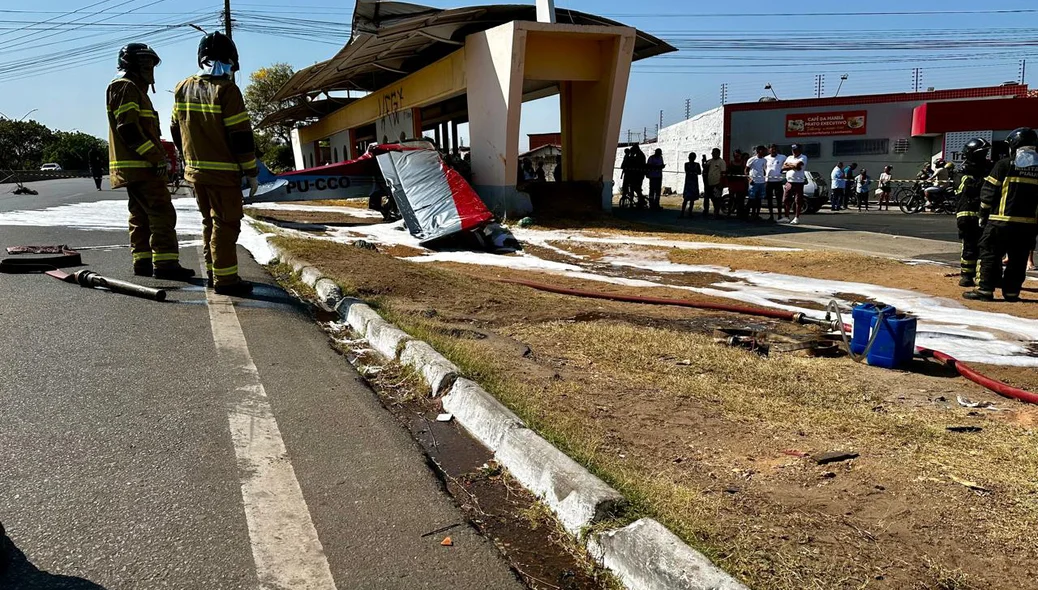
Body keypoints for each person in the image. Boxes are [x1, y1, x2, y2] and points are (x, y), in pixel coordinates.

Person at [170, 31, 258, 296]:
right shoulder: (227, 90)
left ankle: (213, 271)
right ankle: (226, 280)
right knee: (226, 223)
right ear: (231, 61)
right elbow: (241, 137)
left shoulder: (182, 87)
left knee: (209, 222)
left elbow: (176, 129)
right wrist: (251, 171)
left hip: (195, 174)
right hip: (223, 174)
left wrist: (188, 158)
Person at [106, 43, 195, 280]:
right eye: (145, 64)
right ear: (131, 65)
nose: (150, 69)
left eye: (151, 64)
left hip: (136, 167)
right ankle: (166, 264)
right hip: (142, 166)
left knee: (140, 215)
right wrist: (155, 157)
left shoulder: (132, 88)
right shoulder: (126, 87)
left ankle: (143, 262)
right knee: (162, 212)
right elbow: (128, 128)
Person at [964, 127, 1038, 302]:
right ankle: (1012, 293)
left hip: (1000, 221)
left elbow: (988, 192)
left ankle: (985, 291)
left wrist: (983, 214)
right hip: (1028, 224)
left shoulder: (1004, 164)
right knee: (1018, 258)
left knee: (989, 253)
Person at [954, 138, 992, 287]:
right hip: (967, 214)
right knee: (969, 246)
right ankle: (967, 275)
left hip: (986, 213)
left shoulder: (988, 170)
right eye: (981, 153)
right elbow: (968, 188)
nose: (984, 157)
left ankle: (983, 276)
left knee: (986, 247)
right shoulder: (962, 172)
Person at [780, 144, 808, 224]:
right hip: (789, 181)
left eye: (796, 150)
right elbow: (783, 167)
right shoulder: (789, 157)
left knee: (798, 201)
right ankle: (786, 217)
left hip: (798, 182)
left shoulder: (803, 157)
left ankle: (796, 217)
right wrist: (793, 166)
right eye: (793, 150)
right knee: (785, 199)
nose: (794, 151)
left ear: (799, 150)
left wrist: (789, 165)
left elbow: (798, 165)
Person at [763, 144, 786, 222]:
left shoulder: (782, 157)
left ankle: (779, 215)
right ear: (769, 150)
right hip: (769, 182)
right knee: (769, 200)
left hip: (778, 181)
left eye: (774, 149)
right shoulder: (765, 158)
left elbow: (786, 165)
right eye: (771, 149)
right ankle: (771, 216)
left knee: (779, 199)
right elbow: (764, 168)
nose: (773, 150)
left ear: (777, 149)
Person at [745, 145, 768, 220]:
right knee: (751, 199)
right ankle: (748, 214)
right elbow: (746, 170)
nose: (764, 152)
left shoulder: (764, 160)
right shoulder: (752, 159)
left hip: (761, 182)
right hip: (753, 182)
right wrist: (749, 179)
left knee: (759, 200)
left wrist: (765, 179)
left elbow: (764, 170)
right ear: (758, 151)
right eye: (763, 150)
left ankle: (756, 214)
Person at [703, 148, 726, 218]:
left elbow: (723, 173)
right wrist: (704, 161)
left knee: (716, 199)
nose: (713, 154)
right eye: (712, 153)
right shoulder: (710, 161)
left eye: (714, 153)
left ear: (718, 153)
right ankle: (706, 211)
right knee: (707, 198)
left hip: (717, 184)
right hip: (709, 183)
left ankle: (716, 213)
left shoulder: (721, 162)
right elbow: (705, 167)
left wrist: (721, 183)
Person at [726, 149, 748, 219]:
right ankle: (729, 212)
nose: (736, 157)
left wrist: (745, 183)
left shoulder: (743, 163)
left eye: (738, 155)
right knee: (731, 198)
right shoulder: (731, 163)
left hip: (740, 183)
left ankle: (739, 213)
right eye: (735, 156)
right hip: (732, 183)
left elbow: (745, 173)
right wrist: (728, 182)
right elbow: (727, 173)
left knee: (740, 199)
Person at [681, 152, 701, 218]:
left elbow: (699, 172)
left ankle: (688, 212)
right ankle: (684, 212)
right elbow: (696, 172)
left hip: (692, 183)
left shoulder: (694, 164)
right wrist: (694, 171)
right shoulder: (688, 164)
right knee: (687, 199)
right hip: (690, 183)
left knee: (690, 199)